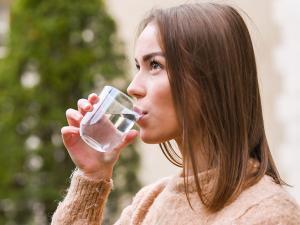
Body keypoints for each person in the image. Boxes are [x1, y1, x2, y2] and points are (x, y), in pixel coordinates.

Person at [51, 3, 300, 225]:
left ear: (210, 79)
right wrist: (92, 177)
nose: (133, 87)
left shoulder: (268, 214)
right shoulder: (146, 205)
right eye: (139, 66)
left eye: (155, 65)